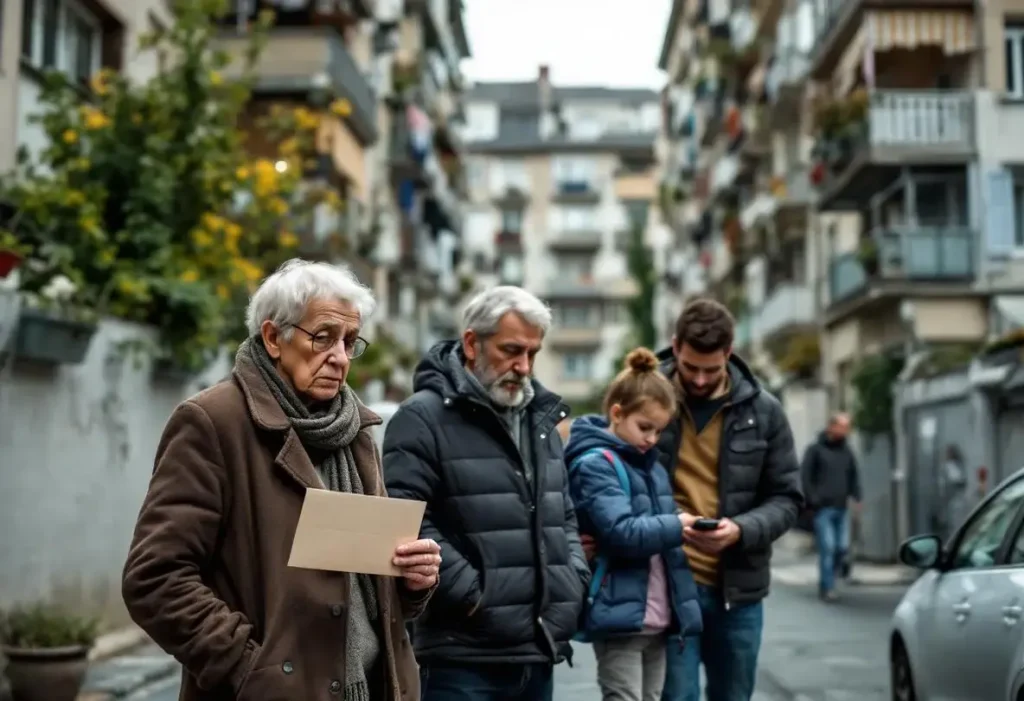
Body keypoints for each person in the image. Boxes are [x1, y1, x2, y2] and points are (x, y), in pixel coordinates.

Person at [122, 259, 441, 701]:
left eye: (350, 341)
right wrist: (251, 670)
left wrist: (410, 580)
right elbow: (155, 579)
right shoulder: (214, 422)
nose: (340, 357)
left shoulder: (354, 430)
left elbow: (362, 590)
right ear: (274, 338)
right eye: (323, 337)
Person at [383, 286, 590, 701]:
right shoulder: (420, 418)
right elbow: (407, 521)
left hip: (537, 652)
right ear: (472, 343)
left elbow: (562, 512)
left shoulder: (540, 420)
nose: (523, 366)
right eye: (511, 350)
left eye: (532, 353)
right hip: (461, 660)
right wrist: (477, 597)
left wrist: (573, 579)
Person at [656, 298, 803, 701]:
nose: (700, 380)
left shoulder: (765, 411)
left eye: (711, 369)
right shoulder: (646, 399)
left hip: (738, 593)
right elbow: (619, 480)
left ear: (729, 352)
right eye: (690, 368)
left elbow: (787, 498)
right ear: (675, 346)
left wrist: (740, 530)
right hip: (667, 585)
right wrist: (669, 520)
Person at [566, 348, 703, 701]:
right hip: (620, 616)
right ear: (617, 413)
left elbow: (653, 527)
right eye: (645, 427)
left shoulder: (650, 466)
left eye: (658, 431)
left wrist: (683, 527)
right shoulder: (597, 464)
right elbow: (622, 531)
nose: (652, 439)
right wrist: (676, 526)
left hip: (656, 613)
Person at [801, 412, 862, 602]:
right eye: (842, 427)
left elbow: (853, 474)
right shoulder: (816, 450)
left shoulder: (846, 451)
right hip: (823, 509)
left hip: (842, 507)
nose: (845, 431)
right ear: (832, 427)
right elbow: (805, 477)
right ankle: (827, 587)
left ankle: (831, 579)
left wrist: (857, 496)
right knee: (828, 548)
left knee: (842, 548)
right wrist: (813, 500)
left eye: (847, 427)